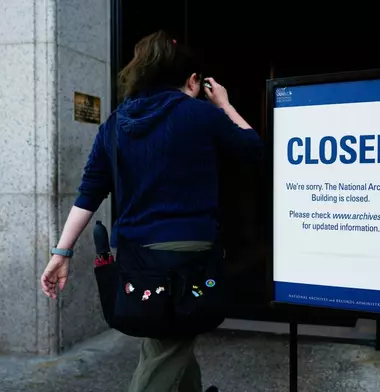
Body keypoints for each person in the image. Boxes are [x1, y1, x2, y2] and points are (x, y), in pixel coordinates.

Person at [39, 30, 263, 392]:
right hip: (190, 254)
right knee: (167, 345)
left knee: (164, 334)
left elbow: (89, 193)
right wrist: (224, 103)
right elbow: (252, 149)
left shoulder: (114, 124)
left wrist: (61, 252)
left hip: (137, 258)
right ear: (192, 80)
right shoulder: (201, 115)